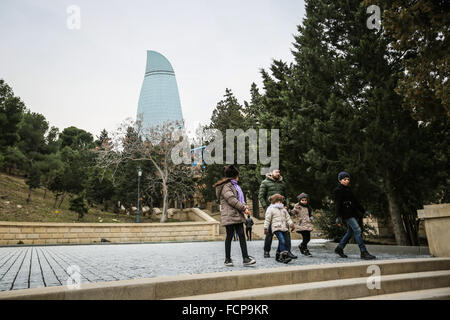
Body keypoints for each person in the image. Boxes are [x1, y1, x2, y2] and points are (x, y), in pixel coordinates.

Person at [213, 165, 256, 266]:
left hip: (237, 214)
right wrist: (244, 208)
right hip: (229, 215)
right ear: (236, 176)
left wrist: (244, 206)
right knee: (229, 236)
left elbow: (238, 199)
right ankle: (227, 259)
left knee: (241, 235)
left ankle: (245, 258)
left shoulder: (235, 186)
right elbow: (231, 200)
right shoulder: (226, 186)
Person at [334, 172, 376, 260]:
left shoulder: (349, 190)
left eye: (348, 179)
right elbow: (337, 204)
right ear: (340, 180)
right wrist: (338, 217)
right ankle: (363, 252)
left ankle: (339, 248)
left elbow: (356, 202)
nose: (347, 181)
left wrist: (365, 211)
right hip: (346, 214)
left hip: (352, 213)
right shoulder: (338, 190)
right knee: (357, 230)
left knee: (350, 232)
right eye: (344, 179)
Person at [259, 169, 296, 259]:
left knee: (285, 232)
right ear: (271, 173)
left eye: (279, 172)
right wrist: (266, 207)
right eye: (276, 172)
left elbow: (287, 196)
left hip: (282, 210)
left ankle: (286, 251)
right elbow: (261, 196)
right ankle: (266, 251)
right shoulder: (265, 183)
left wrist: (286, 205)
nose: (278, 173)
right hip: (272, 211)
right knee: (269, 233)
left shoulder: (282, 183)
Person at [264, 194, 295, 263]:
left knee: (285, 241)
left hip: (284, 228)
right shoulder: (271, 209)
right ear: (274, 201)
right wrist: (265, 228)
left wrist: (291, 225)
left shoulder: (283, 209)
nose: (280, 203)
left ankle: (278, 254)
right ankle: (284, 256)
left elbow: (288, 218)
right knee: (282, 240)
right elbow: (267, 219)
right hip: (276, 228)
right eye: (278, 201)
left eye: (280, 201)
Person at [291, 193, 314, 257]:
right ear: (300, 200)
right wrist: (293, 209)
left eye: (305, 200)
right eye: (302, 200)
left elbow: (311, 214)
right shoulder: (297, 206)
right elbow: (293, 212)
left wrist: (311, 218)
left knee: (308, 238)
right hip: (301, 224)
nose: (304, 201)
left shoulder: (308, 207)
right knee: (305, 238)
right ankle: (305, 250)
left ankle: (302, 246)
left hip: (308, 224)